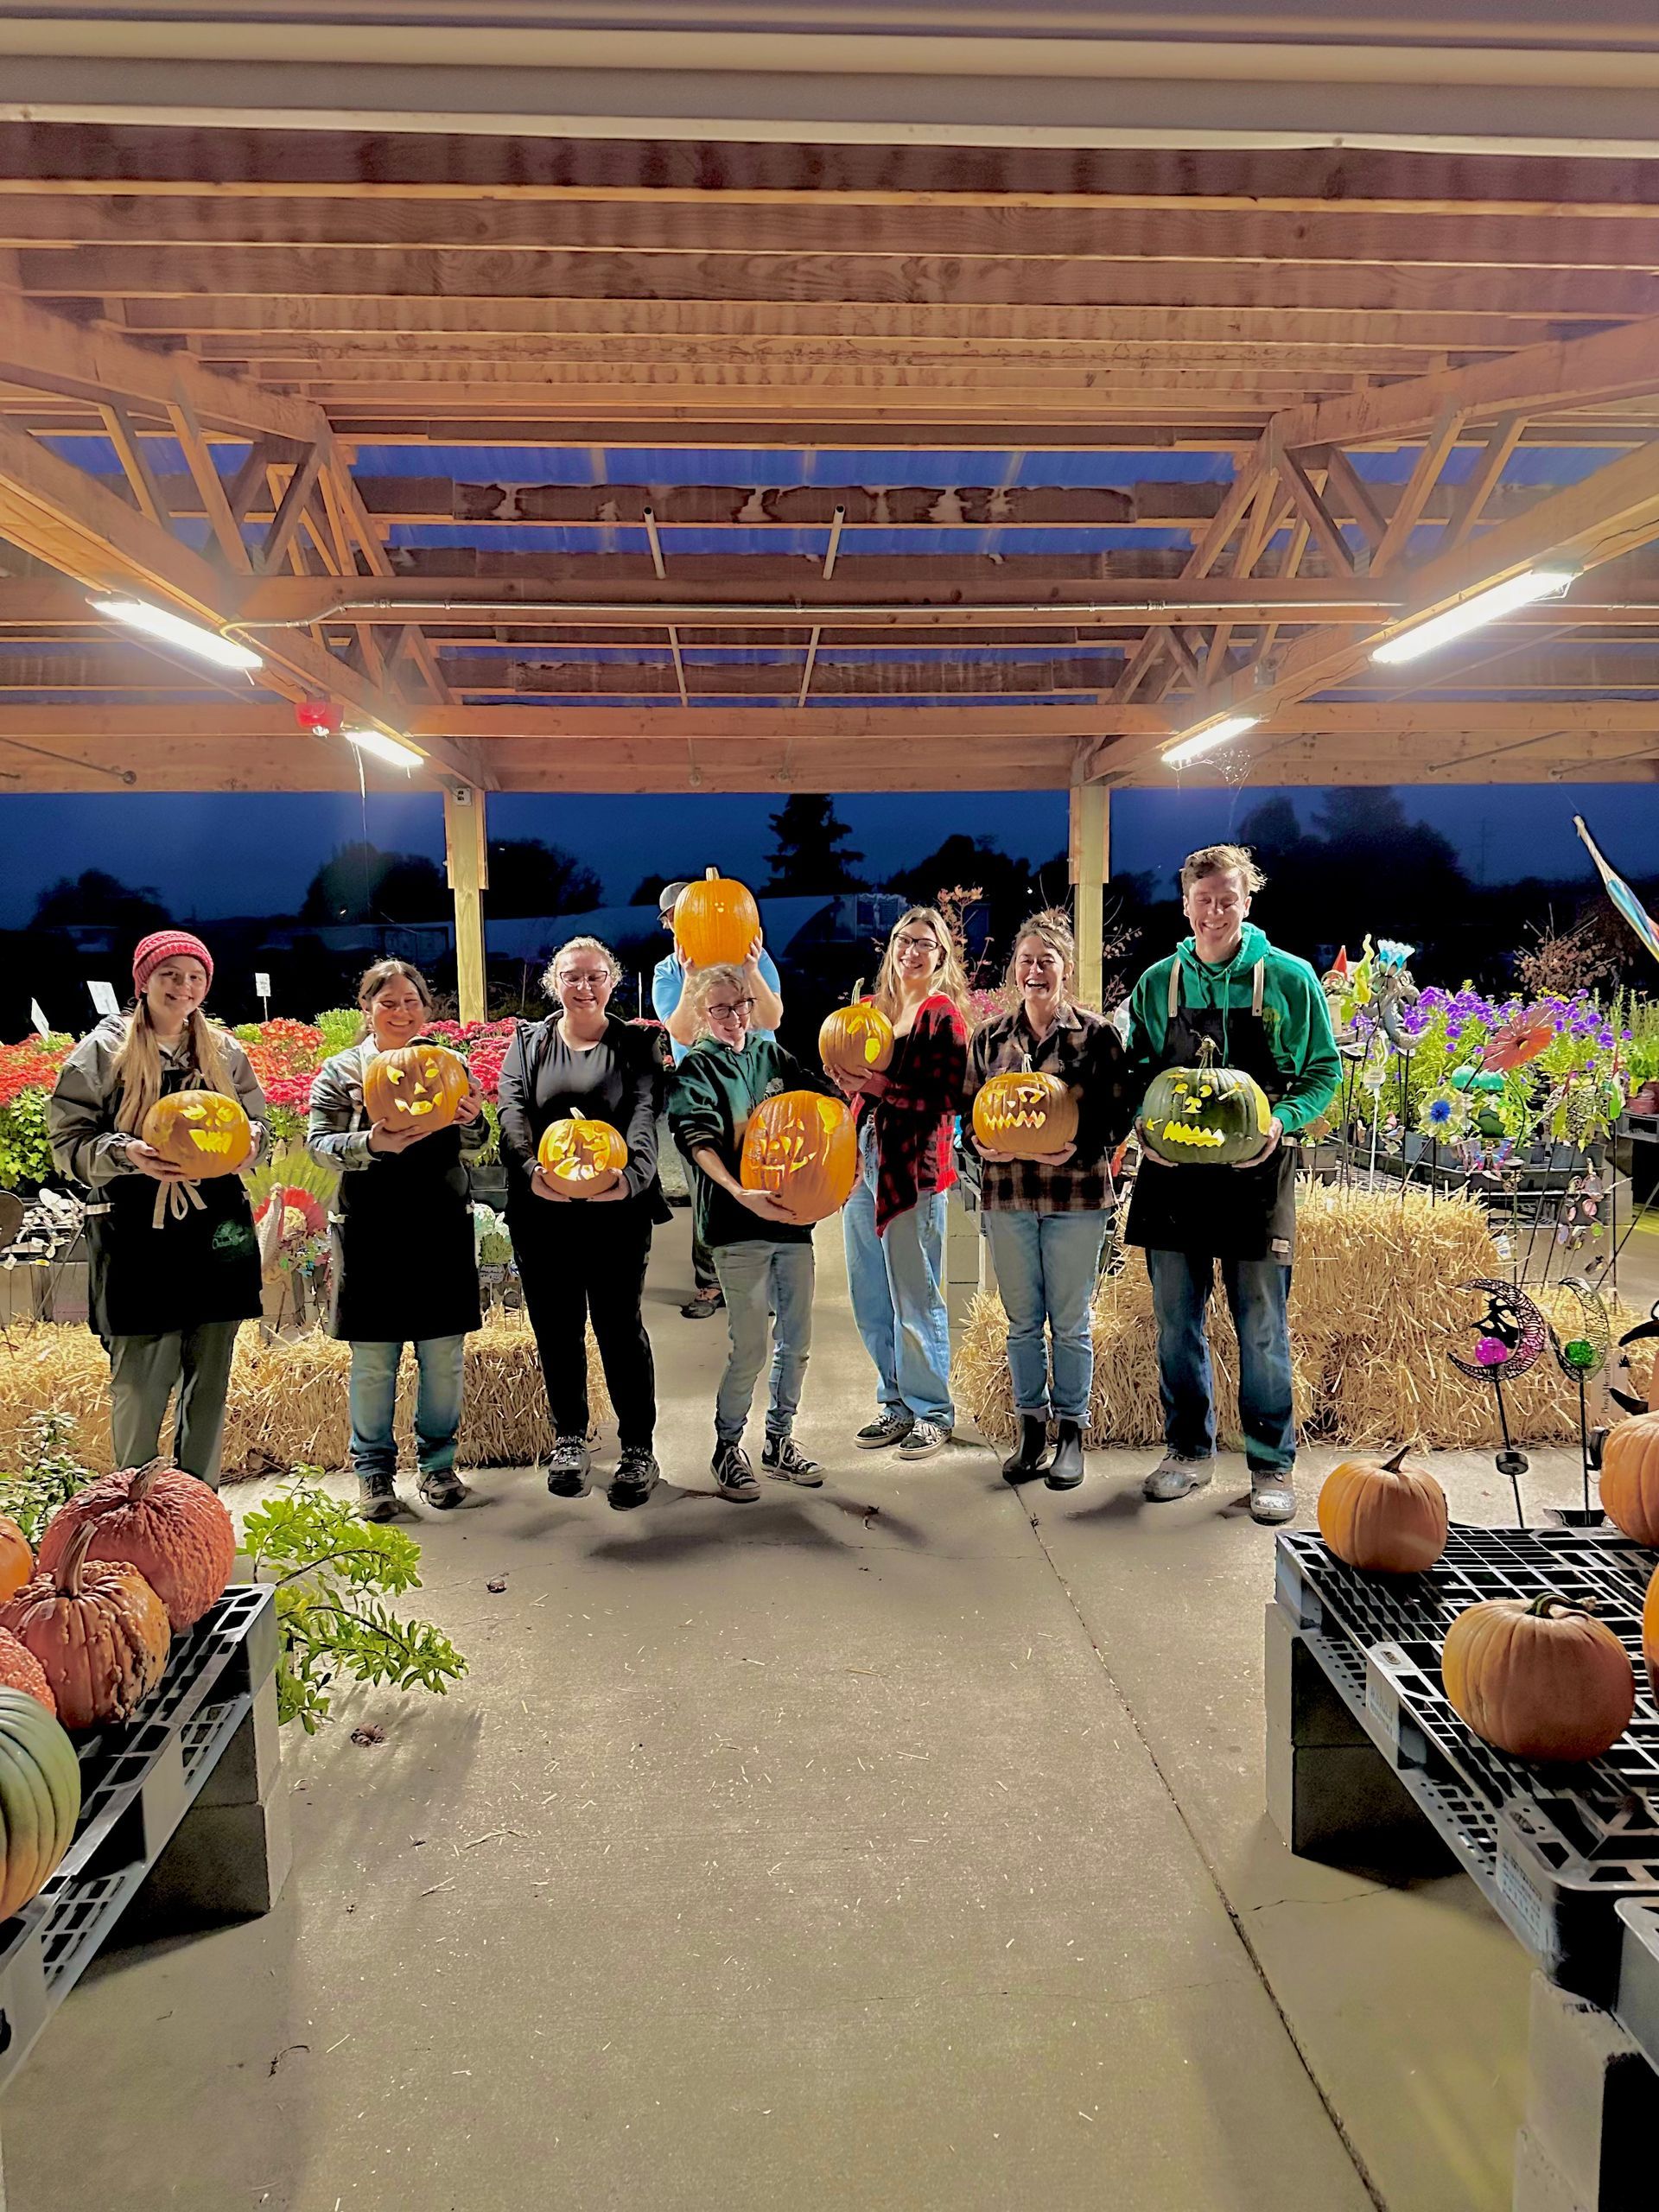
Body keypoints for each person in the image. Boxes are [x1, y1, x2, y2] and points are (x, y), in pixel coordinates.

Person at [1123, 845, 1340, 1526]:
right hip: (1173, 1176)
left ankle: (1271, 1464)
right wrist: (1141, 1126)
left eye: (1228, 898)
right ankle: (1187, 1452)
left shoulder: (1289, 978)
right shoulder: (1158, 984)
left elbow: (1323, 1072)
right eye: (1204, 899)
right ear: (1185, 904)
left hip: (1256, 1174)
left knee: (1263, 1329)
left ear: (1248, 901)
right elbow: (1131, 1070)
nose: (1216, 911)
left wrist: (1281, 1122)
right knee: (1175, 1326)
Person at [47, 928, 266, 1489]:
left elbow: (259, 1128)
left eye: (195, 977)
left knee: (210, 1384)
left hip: (216, 1236)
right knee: (141, 1387)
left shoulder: (225, 1052)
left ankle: (197, 1510)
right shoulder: (101, 1052)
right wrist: (128, 1155)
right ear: (144, 982)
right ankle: (135, 1511)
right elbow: (68, 1144)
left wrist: (241, 1150)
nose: (184, 987)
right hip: (137, 1242)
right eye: (171, 974)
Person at [308, 961, 489, 1521]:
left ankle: (438, 1466)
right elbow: (318, 1144)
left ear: (425, 1007)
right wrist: (371, 1141)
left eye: (411, 1001)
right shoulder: (341, 1073)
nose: (402, 1011)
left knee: (443, 1357)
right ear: (368, 1009)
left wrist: (474, 1119)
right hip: (371, 1228)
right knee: (374, 1361)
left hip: (438, 1222)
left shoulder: (449, 1065)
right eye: (389, 1002)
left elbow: (476, 1144)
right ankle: (375, 1475)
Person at [497, 935, 670, 1511]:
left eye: (595, 975)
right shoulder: (528, 1042)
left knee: (620, 1328)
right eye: (572, 976)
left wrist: (632, 1179)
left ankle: (638, 1447)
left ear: (611, 981)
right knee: (556, 1328)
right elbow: (512, 1111)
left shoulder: (635, 1045)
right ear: (555, 982)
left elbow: (644, 1115)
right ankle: (569, 1438)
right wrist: (529, 1171)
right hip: (542, 1210)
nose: (584, 985)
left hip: (617, 1212)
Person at [964, 911, 1134, 1491]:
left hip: (1075, 1195)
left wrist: (1080, 1145)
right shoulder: (988, 1039)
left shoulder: (1097, 1035)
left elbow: (1119, 1113)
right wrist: (978, 1142)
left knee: (1070, 1323)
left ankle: (1071, 1433)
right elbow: (970, 1115)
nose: (1035, 970)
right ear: (1015, 967)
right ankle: (1030, 1429)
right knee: (1020, 1324)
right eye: (1027, 960)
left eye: (1047, 960)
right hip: (1008, 1197)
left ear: (1064, 968)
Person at [668, 964, 836, 1501]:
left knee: (798, 1341)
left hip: (790, 1220)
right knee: (750, 1346)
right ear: (700, 1014)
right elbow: (696, 1141)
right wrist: (736, 1189)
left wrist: (838, 1173)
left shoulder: (772, 1056)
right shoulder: (695, 1069)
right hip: (736, 1225)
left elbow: (826, 1105)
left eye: (741, 1004)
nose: (735, 1016)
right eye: (720, 1008)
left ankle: (780, 1440)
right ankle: (728, 1445)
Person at [832, 906, 970, 1461]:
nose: (913, 950)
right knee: (869, 1292)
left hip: (913, 1165)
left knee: (914, 1294)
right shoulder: (870, 1010)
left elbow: (948, 1097)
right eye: (904, 940)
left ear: (941, 955)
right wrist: (848, 1081)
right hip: (864, 1160)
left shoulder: (943, 1017)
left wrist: (885, 1087)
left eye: (926, 943)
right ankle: (894, 1403)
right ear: (891, 947)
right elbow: (855, 1081)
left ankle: (933, 1410)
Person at [652, 873, 784, 1321]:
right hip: (702, 1088)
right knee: (707, 1186)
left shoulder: (756, 962)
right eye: (675, 918)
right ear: (671, 925)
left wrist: (750, 970)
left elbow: (772, 1018)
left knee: (762, 1173)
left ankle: (761, 1282)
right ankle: (710, 1282)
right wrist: (691, 978)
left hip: (753, 1083)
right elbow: (683, 1030)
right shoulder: (668, 972)